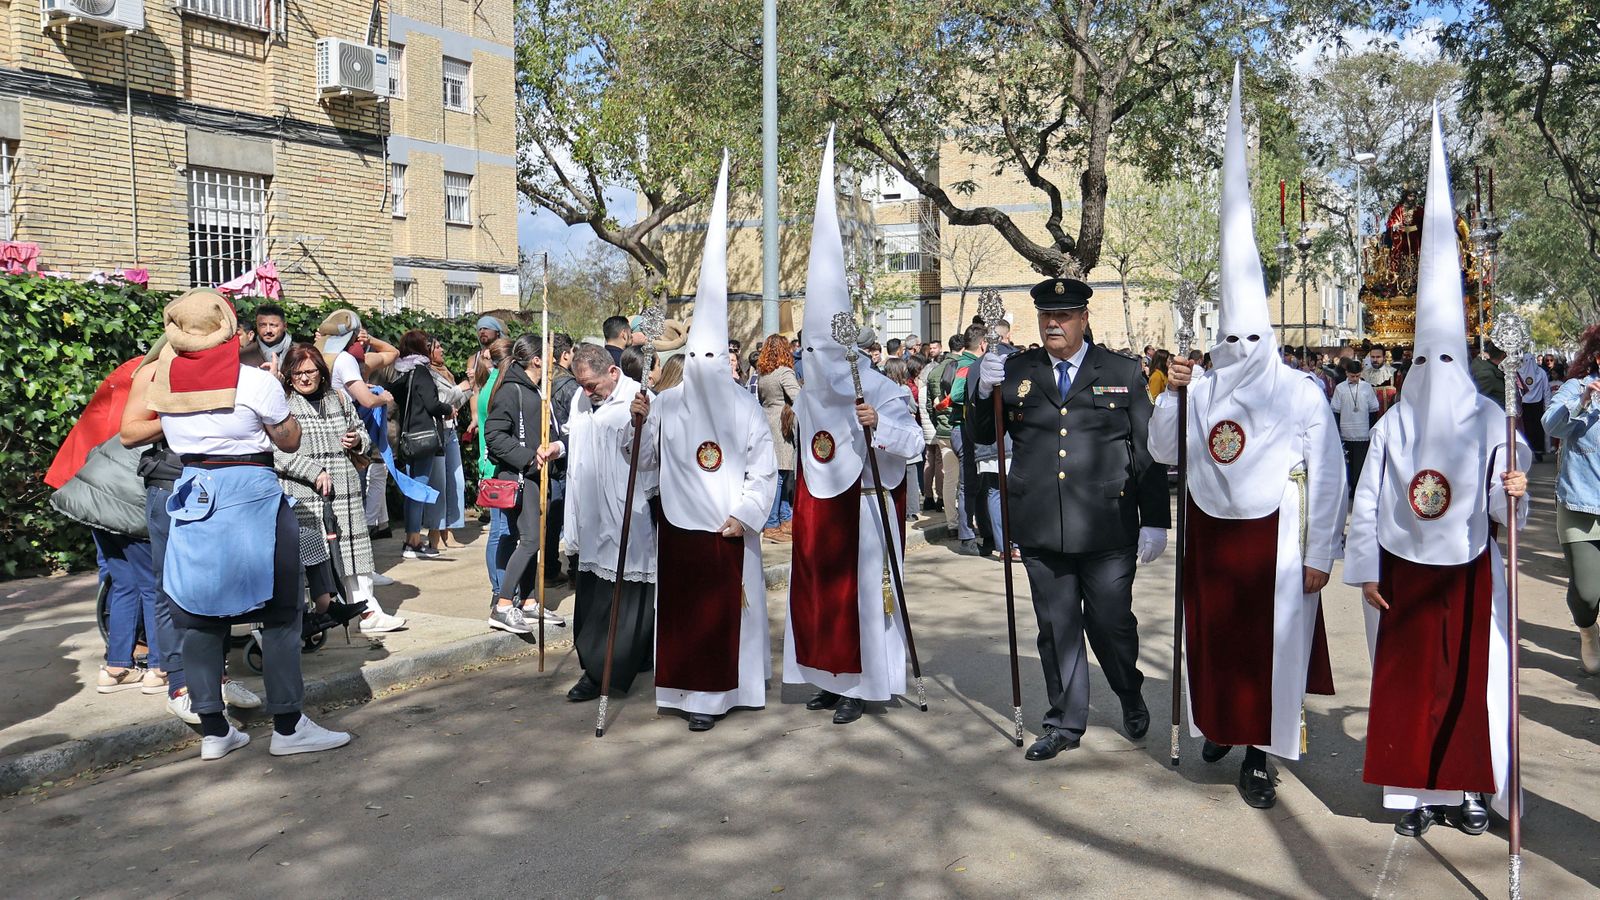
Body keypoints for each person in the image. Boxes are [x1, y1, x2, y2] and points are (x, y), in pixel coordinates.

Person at [1149, 71, 1342, 807]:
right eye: (1230, 336)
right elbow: (1167, 451)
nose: (1238, 346)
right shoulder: (1203, 385)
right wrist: (1176, 385)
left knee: (1269, 648)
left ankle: (1261, 750)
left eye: (1248, 335)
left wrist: (1323, 550)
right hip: (1209, 529)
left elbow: (1326, 475)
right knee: (1215, 643)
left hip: (1276, 535)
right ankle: (1220, 724)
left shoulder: (1300, 391)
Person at [1346, 112, 1529, 839]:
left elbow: (1493, 498)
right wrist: (1364, 566)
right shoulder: (1391, 423)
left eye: (1446, 359)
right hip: (1402, 567)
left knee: (1469, 681)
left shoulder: (1491, 420)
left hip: (1469, 569)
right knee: (1408, 685)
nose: (1435, 372)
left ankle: (1469, 790)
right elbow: (1367, 502)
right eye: (1425, 359)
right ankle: (1411, 794)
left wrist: (1508, 491)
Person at [138, 288, 349, 760]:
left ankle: (214, 731)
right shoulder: (253, 381)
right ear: (230, 331)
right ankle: (289, 727)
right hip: (252, 491)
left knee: (199, 615)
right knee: (279, 614)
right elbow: (289, 441)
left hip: (193, 493)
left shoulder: (163, 383)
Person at [968, 273, 1170, 761]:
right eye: (1046, 316)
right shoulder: (1017, 369)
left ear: (1084, 318)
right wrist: (981, 390)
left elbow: (1146, 451)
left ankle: (1127, 688)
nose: (1053, 324)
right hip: (1040, 523)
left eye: (1063, 316)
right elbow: (981, 434)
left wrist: (1155, 518)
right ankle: (1063, 721)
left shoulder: (1120, 371)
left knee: (1111, 623)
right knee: (1057, 627)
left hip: (1107, 523)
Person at [783, 134, 925, 726]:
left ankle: (862, 682)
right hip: (821, 508)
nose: (810, 361)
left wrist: (880, 429)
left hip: (866, 507)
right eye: (804, 350)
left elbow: (916, 444)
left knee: (865, 600)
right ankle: (824, 672)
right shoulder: (812, 393)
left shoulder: (883, 388)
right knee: (818, 595)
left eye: (822, 349)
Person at [635, 162, 777, 730]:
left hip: (725, 527)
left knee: (725, 615)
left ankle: (720, 697)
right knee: (684, 612)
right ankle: (681, 690)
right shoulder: (667, 404)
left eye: (710, 359)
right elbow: (640, 459)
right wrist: (638, 422)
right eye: (692, 359)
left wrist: (744, 515)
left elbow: (763, 470)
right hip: (678, 524)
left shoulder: (744, 407)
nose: (701, 369)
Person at [537, 343, 658, 701]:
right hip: (590, 511)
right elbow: (577, 438)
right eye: (580, 384)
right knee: (592, 593)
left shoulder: (639, 400)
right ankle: (594, 665)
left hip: (627, 510)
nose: (586, 391)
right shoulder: (579, 399)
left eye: (591, 384)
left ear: (613, 372)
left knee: (628, 593)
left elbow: (652, 454)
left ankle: (613, 669)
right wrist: (556, 448)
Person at [47, 355, 164, 694]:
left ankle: (116, 668)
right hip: (124, 507)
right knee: (152, 585)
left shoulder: (132, 392)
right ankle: (159, 668)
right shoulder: (159, 417)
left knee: (124, 584)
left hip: (94, 501)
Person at [272, 344, 386, 635]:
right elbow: (274, 453)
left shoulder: (337, 398)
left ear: (322, 373)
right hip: (304, 493)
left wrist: (357, 440)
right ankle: (318, 614)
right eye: (297, 373)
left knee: (354, 551)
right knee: (315, 557)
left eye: (310, 371)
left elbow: (362, 431)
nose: (304, 378)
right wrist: (312, 471)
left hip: (344, 486)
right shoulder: (281, 403)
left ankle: (368, 610)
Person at [483, 334, 567, 632]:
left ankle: (529, 602)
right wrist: (528, 457)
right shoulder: (511, 391)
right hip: (519, 476)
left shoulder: (536, 389)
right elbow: (493, 436)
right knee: (530, 540)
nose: (554, 361)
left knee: (538, 541)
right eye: (549, 355)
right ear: (536, 360)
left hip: (537, 475)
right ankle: (503, 604)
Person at [1541, 330, 1600, 675]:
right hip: (1581, 503)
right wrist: (1583, 404)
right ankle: (1588, 630)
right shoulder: (1577, 388)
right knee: (1587, 593)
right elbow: (1551, 424)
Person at [389, 330, 453, 560]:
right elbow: (433, 405)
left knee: (411, 490)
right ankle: (414, 542)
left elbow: (394, 395)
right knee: (418, 487)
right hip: (423, 438)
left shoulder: (402, 371)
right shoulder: (422, 371)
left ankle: (410, 539)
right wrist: (448, 409)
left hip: (407, 438)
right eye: (427, 344)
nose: (431, 347)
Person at [474, 338, 521, 600]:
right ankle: (501, 589)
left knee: (499, 531)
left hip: (489, 466)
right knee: (502, 531)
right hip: (496, 467)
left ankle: (501, 586)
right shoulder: (499, 387)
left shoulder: (490, 384)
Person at [424, 338, 471, 551]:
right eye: (437, 347)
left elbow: (455, 403)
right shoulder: (426, 372)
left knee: (456, 481)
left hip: (451, 430)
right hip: (436, 431)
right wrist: (462, 387)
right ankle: (435, 531)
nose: (442, 349)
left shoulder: (446, 372)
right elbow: (440, 399)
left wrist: (470, 388)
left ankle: (449, 530)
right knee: (438, 483)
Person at [757, 333, 801, 542]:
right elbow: (798, 398)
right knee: (781, 477)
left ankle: (785, 518)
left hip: (768, 422)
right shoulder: (784, 372)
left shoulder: (764, 374)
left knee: (781, 474)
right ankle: (773, 524)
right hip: (782, 425)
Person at [1331, 358, 1381, 499]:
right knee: (1348, 464)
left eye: (1358, 376)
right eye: (1352, 376)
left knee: (1361, 463)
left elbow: (1373, 409)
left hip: (1363, 432)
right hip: (1346, 431)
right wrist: (1337, 432)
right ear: (1346, 373)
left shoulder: (1366, 387)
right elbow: (1336, 410)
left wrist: (1371, 430)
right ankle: (1349, 489)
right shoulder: (1340, 388)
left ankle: (1360, 489)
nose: (1355, 379)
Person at [1517, 352, 1549, 461]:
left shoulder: (1521, 373)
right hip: (1530, 405)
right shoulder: (1540, 372)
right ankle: (1532, 451)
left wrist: (1547, 406)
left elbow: (1546, 390)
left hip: (1532, 405)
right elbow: (1547, 390)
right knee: (1530, 429)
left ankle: (1537, 451)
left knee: (1533, 429)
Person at [252, 303, 292, 374]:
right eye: (262, 325)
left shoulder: (298, 352)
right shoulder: (245, 356)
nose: (268, 331)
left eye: (273, 325)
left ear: (285, 326)